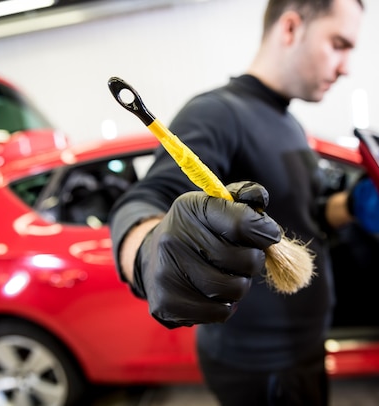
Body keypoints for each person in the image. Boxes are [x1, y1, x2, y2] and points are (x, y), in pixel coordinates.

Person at [109, 0, 365, 404]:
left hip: (308, 348)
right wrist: (148, 251)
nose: (346, 65)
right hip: (259, 369)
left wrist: (353, 205)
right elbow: (142, 202)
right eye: (338, 43)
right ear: (291, 28)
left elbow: (305, 214)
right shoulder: (215, 113)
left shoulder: (291, 124)